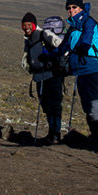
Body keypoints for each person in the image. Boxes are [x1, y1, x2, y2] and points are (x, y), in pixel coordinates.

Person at [63, 0, 98, 149]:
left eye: (74, 7)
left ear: (81, 8)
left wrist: (73, 52)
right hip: (81, 70)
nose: (71, 10)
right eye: (69, 8)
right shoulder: (73, 26)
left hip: (92, 68)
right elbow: (64, 46)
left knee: (93, 104)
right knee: (86, 105)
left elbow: (86, 42)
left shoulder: (88, 22)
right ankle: (96, 137)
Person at [21, 12, 67, 145]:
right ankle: (52, 133)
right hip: (39, 76)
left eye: (29, 25)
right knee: (46, 106)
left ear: (34, 25)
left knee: (54, 105)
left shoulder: (44, 34)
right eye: (24, 26)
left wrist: (51, 60)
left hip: (52, 75)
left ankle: (55, 134)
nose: (26, 28)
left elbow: (61, 45)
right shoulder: (28, 39)